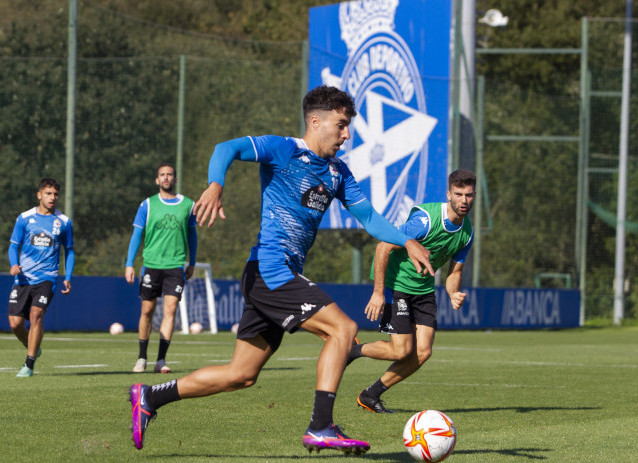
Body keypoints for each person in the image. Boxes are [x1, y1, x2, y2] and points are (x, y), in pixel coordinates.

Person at [128, 85, 434, 454]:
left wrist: (406, 239)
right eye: (340, 125)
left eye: (348, 126)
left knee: (241, 375)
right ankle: (321, 427)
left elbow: (368, 217)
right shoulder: (285, 149)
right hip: (271, 269)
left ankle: (150, 396)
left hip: (272, 276)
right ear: (316, 122)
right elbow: (225, 149)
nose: (347, 134)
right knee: (344, 329)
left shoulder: (338, 172)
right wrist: (215, 184)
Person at [349, 169, 476, 413]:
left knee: (423, 352)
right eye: (458, 194)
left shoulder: (466, 233)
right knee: (401, 350)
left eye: (468, 195)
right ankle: (353, 350)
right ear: (449, 194)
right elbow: (383, 247)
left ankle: (370, 395)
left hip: (425, 290)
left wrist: (452, 293)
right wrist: (378, 293)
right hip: (397, 286)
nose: (463, 200)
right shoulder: (426, 221)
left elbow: (455, 273)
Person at [125, 162, 197, 374]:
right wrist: (129, 263)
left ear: (176, 179)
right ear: (157, 180)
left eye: (170, 175)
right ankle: (141, 358)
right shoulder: (147, 205)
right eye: (162, 175)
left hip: (175, 266)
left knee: (171, 309)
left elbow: (192, 235)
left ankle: (161, 360)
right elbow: (137, 235)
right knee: (147, 310)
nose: (166, 178)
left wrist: (192, 261)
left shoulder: (188, 205)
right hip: (152, 265)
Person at [8, 178, 75, 378]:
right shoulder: (24, 218)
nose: (52, 197)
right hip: (23, 278)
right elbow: (13, 246)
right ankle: (34, 347)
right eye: (48, 193)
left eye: (55, 194)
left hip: (47, 278)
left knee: (36, 315)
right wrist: (13, 264)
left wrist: (68, 276)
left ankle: (29, 365)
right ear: (39, 195)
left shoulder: (63, 222)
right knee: (15, 324)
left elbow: (69, 250)